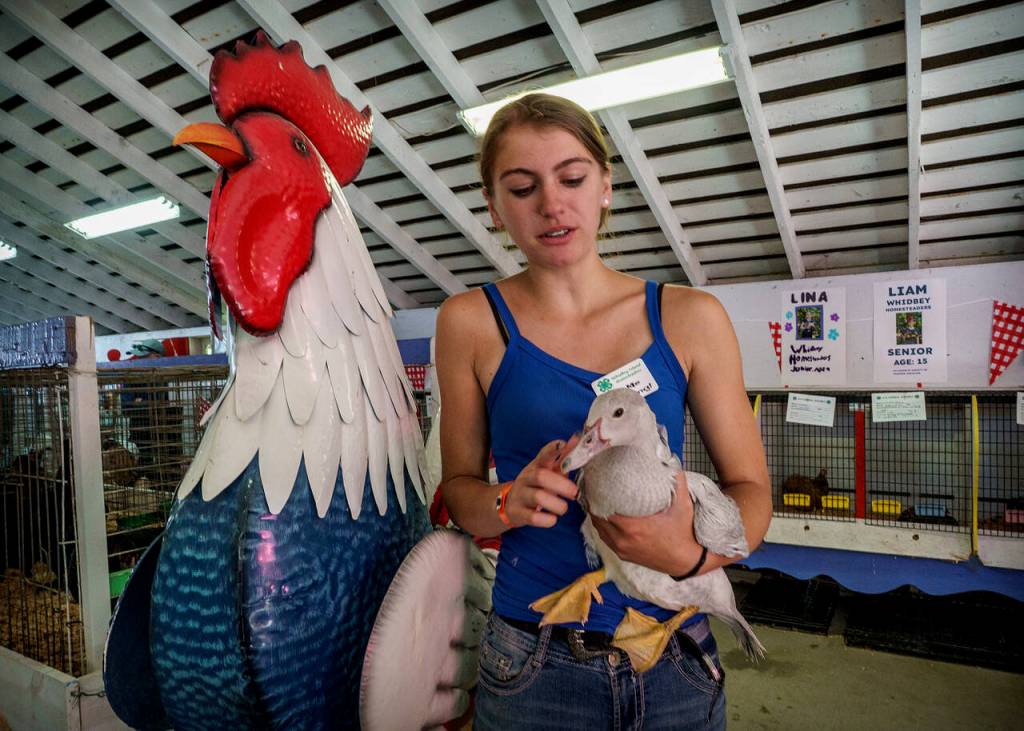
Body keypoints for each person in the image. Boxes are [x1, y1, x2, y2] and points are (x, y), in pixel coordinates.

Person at [434, 94, 771, 729]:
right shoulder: (470, 323)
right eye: (522, 186)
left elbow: (752, 493)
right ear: (494, 208)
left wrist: (692, 558)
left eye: (572, 178)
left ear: (606, 187)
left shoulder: (690, 317)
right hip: (532, 656)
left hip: (675, 655)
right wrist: (509, 500)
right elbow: (458, 492)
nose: (552, 204)